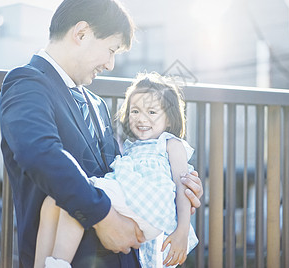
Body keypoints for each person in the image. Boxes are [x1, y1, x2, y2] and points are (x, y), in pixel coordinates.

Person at [0, 0, 203, 268]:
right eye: (110, 50)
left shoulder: (95, 103)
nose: (110, 64)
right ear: (81, 33)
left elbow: (121, 174)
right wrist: (103, 216)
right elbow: (40, 153)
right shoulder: (27, 82)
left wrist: (178, 181)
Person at [34, 72, 198, 268]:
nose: (141, 119)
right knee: (52, 202)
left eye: (152, 112)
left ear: (169, 119)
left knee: (79, 197)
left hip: (149, 206)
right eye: (135, 111)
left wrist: (182, 231)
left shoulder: (171, 144)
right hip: (135, 202)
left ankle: (59, 263)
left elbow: (183, 188)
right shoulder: (131, 147)